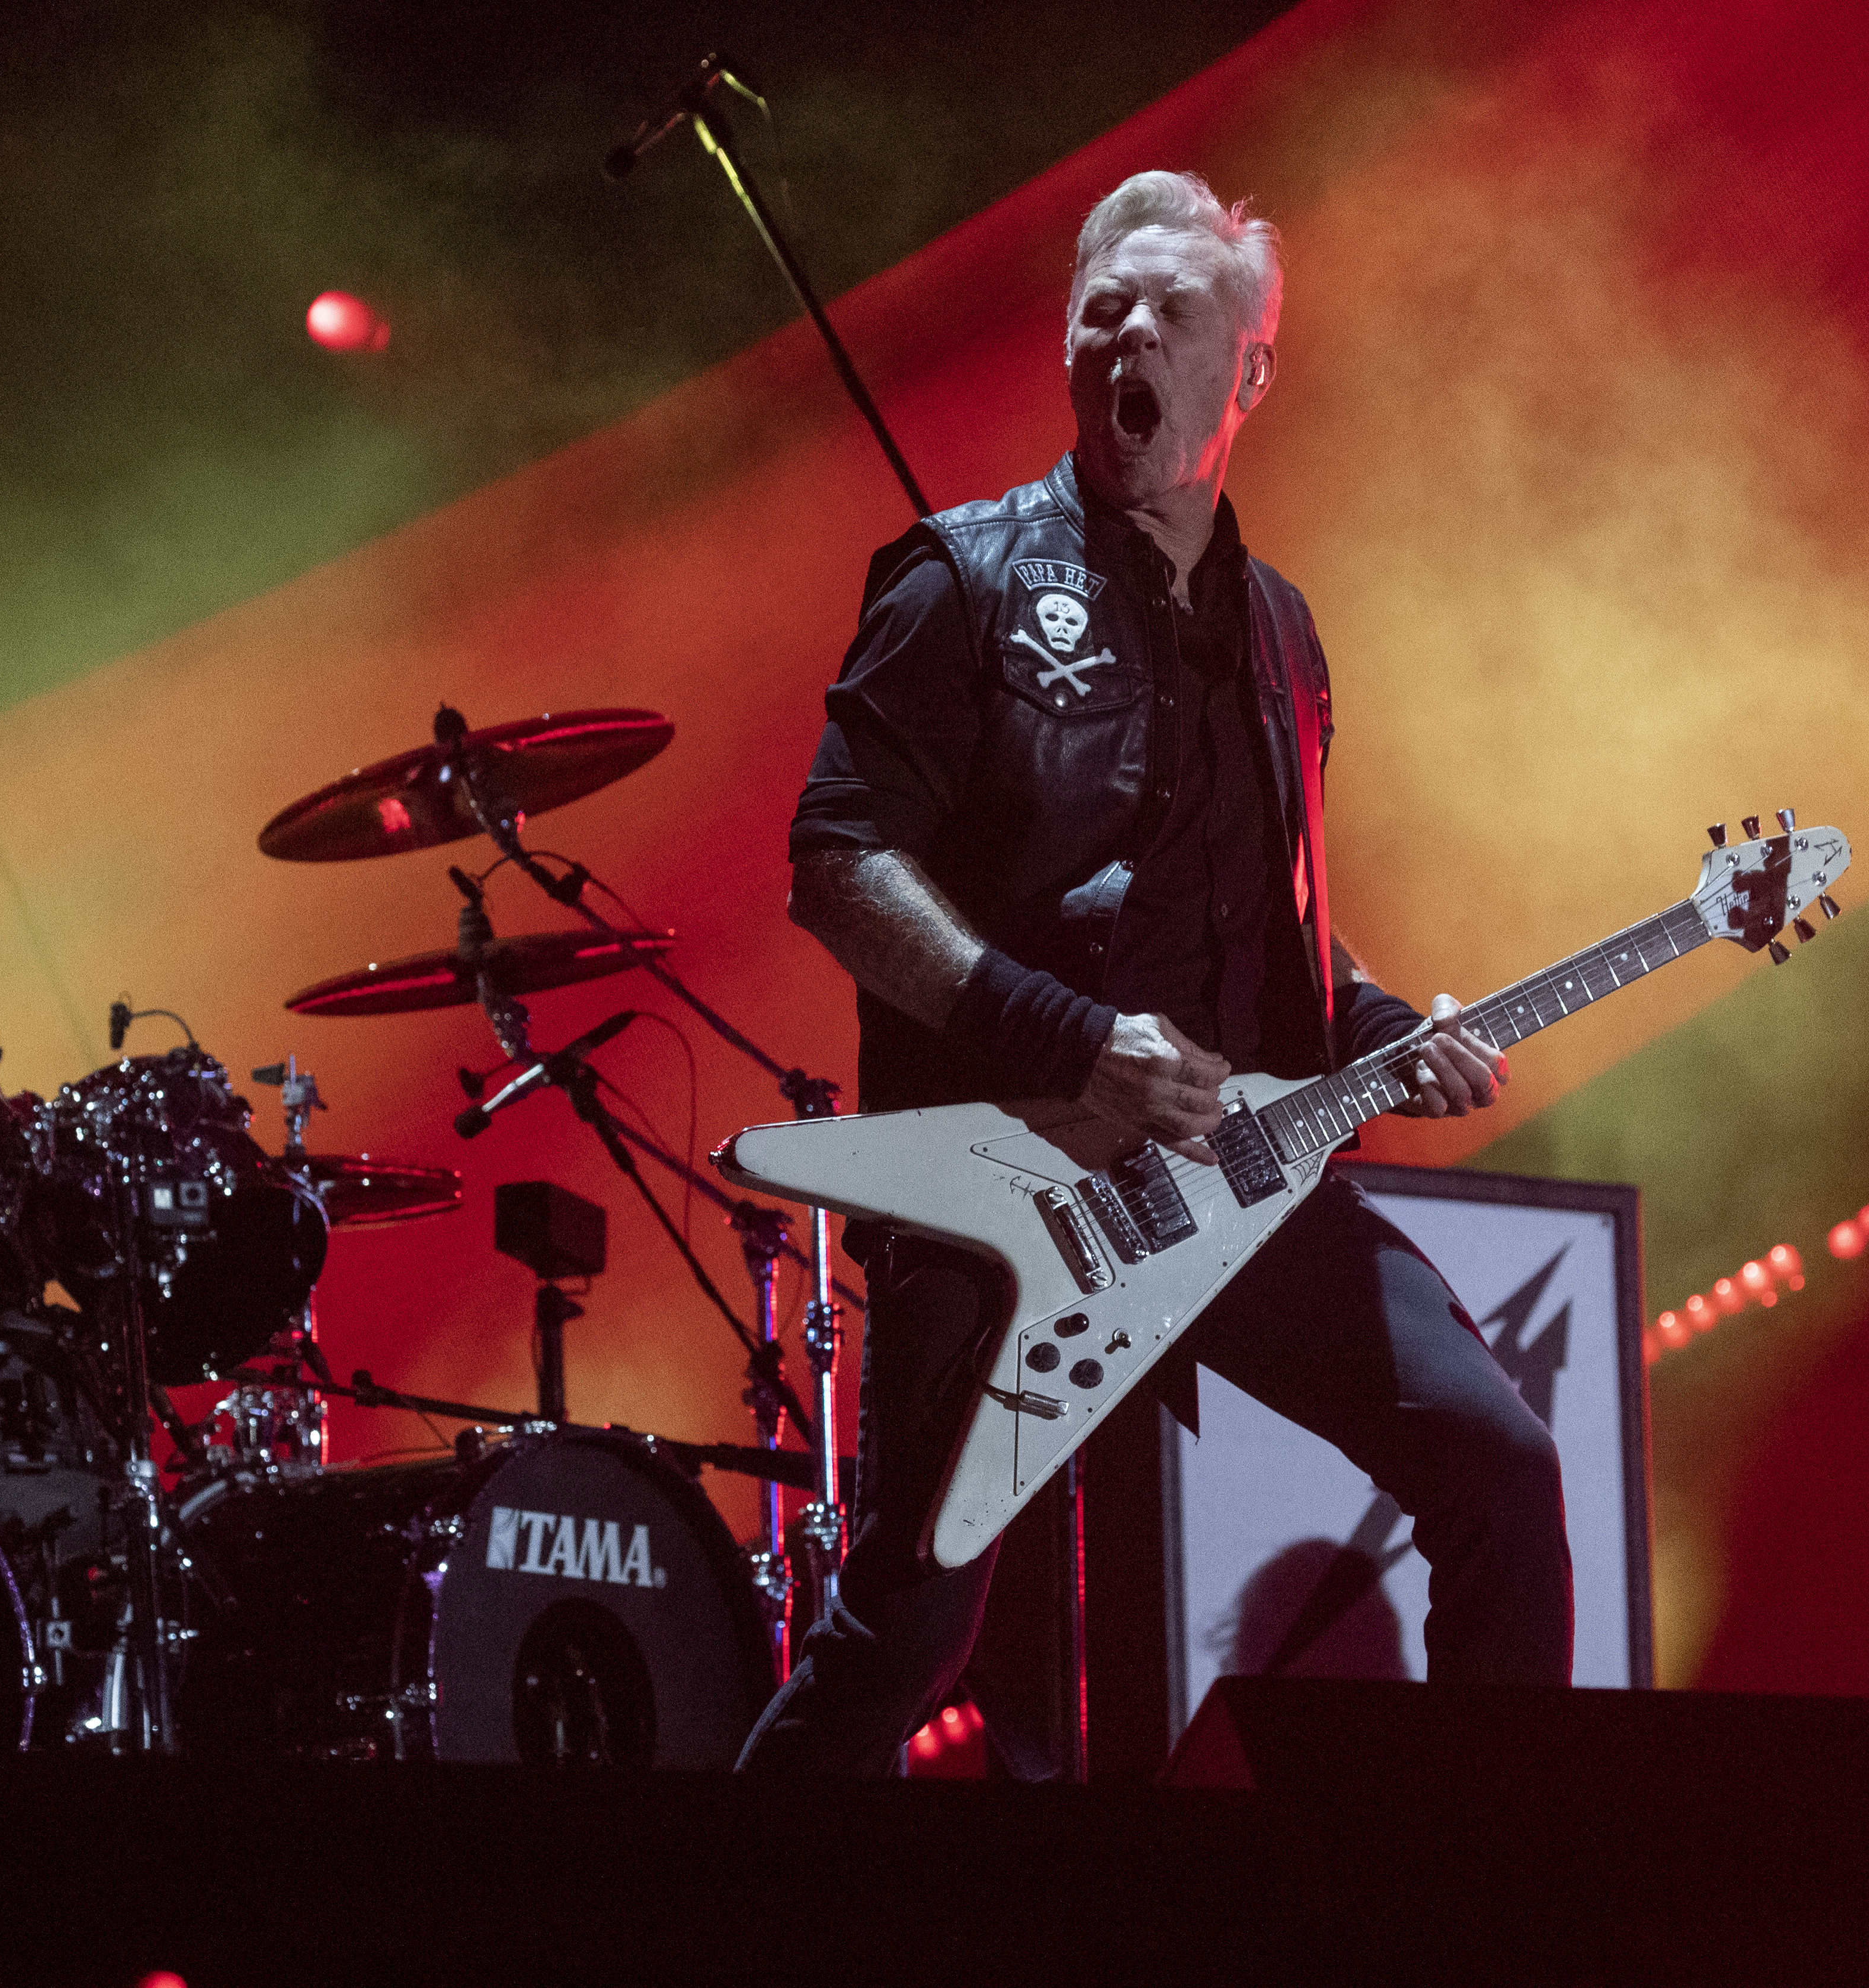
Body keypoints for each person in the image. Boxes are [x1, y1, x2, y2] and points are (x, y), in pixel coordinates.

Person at [743, 171, 1572, 1776]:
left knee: (1497, 1468)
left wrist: (1396, 1031)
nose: (1121, 328)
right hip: (1015, 1185)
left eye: (1167, 308)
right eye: (1098, 307)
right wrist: (1062, 1035)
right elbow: (837, 863)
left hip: (1235, 1184)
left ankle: (1489, 1904)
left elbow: (1272, 935)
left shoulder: (1281, 635)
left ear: (1244, 371)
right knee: (910, 1632)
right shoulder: (959, 579)